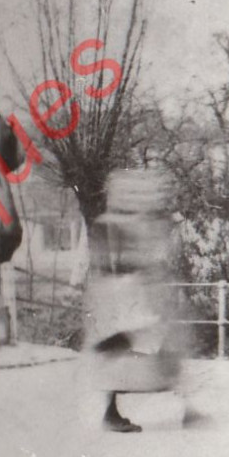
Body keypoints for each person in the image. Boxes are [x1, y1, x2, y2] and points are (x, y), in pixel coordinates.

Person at [83, 169, 186, 433]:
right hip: (120, 296)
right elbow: (110, 262)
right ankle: (111, 413)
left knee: (161, 340)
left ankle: (186, 404)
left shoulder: (132, 222)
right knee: (122, 348)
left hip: (132, 293)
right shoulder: (109, 224)